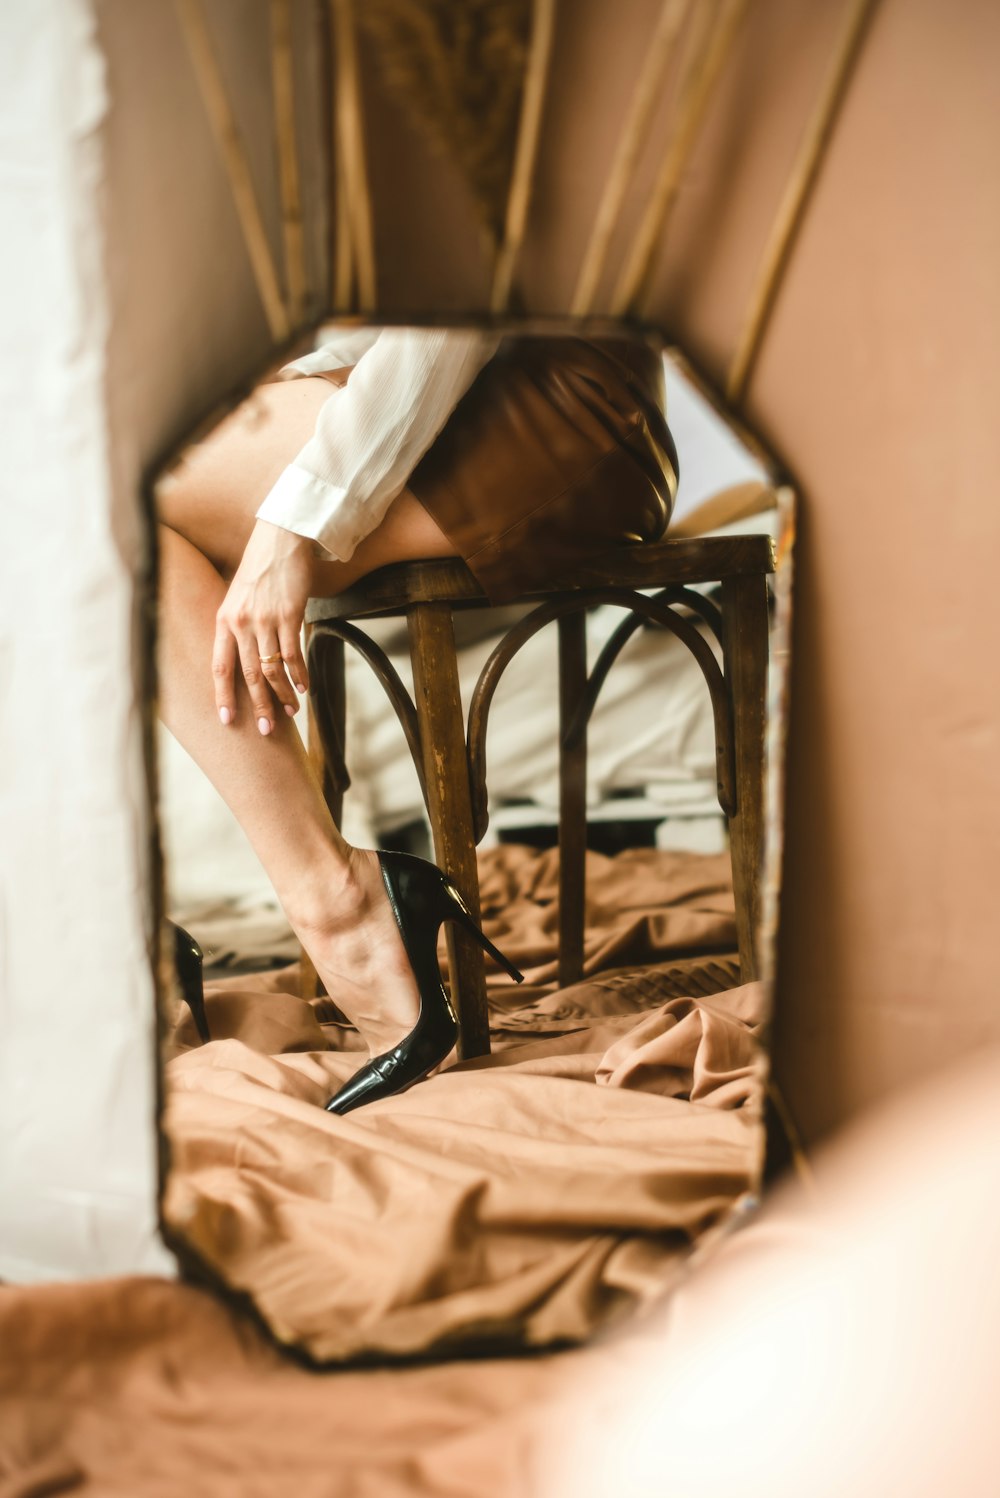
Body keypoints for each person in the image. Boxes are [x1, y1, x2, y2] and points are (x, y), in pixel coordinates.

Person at [156, 326, 678, 1112]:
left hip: (559, 403)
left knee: (105, 508)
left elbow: (450, 318)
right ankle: (295, 906)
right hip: (481, 390)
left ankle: (340, 907)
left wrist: (291, 529)